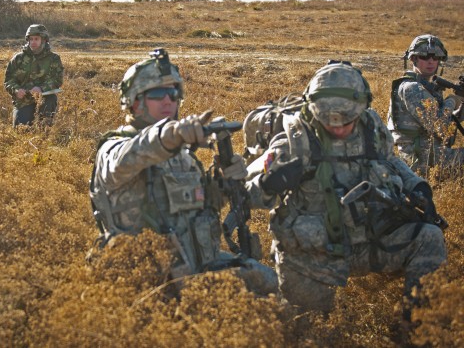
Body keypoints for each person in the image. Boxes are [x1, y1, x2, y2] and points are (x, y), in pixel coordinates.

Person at [244, 61, 446, 315]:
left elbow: (389, 159)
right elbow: (245, 194)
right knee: (307, 326)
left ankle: (417, 326)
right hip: (314, 259)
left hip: (370, 241)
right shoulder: (294, 140)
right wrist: (269, 183)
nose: (338, 128)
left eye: (346, 120)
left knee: (428, 237)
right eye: (329, 121)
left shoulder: (370, 127)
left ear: (361, 109)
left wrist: (417, 185)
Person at [90, 48, 277, 295]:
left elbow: (196, 208)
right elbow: (131, 156)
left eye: (174, 92)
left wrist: (222, 184)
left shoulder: (180, 153)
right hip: (148, 279)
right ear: (134, 101)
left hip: (194, 268)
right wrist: (171, 135)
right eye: (158, 93)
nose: (168, 100)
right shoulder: (115, 148)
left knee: (264, 280)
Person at [387, 34, 464, 174]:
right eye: (424, 57)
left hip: (432, 154)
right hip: (421, 161)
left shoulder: (428, 87)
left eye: (435, 58)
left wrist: (460, 109)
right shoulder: (411, 88)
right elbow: (438, 125)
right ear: (413, 59)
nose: (431, 62)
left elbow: (446, 123)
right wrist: (452, 100)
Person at [4, 24, 64, 127]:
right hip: (24, 101)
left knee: (44, 128)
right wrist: (17, 90)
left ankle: (45, 128)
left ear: (44, 40)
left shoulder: (54, 59)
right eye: (31, 39)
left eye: (36, 39)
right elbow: (9, 80)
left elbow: (57, 79)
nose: (33, 42)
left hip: (45, 99)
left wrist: (41, 88)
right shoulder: (18, 59)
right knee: (20, 129)